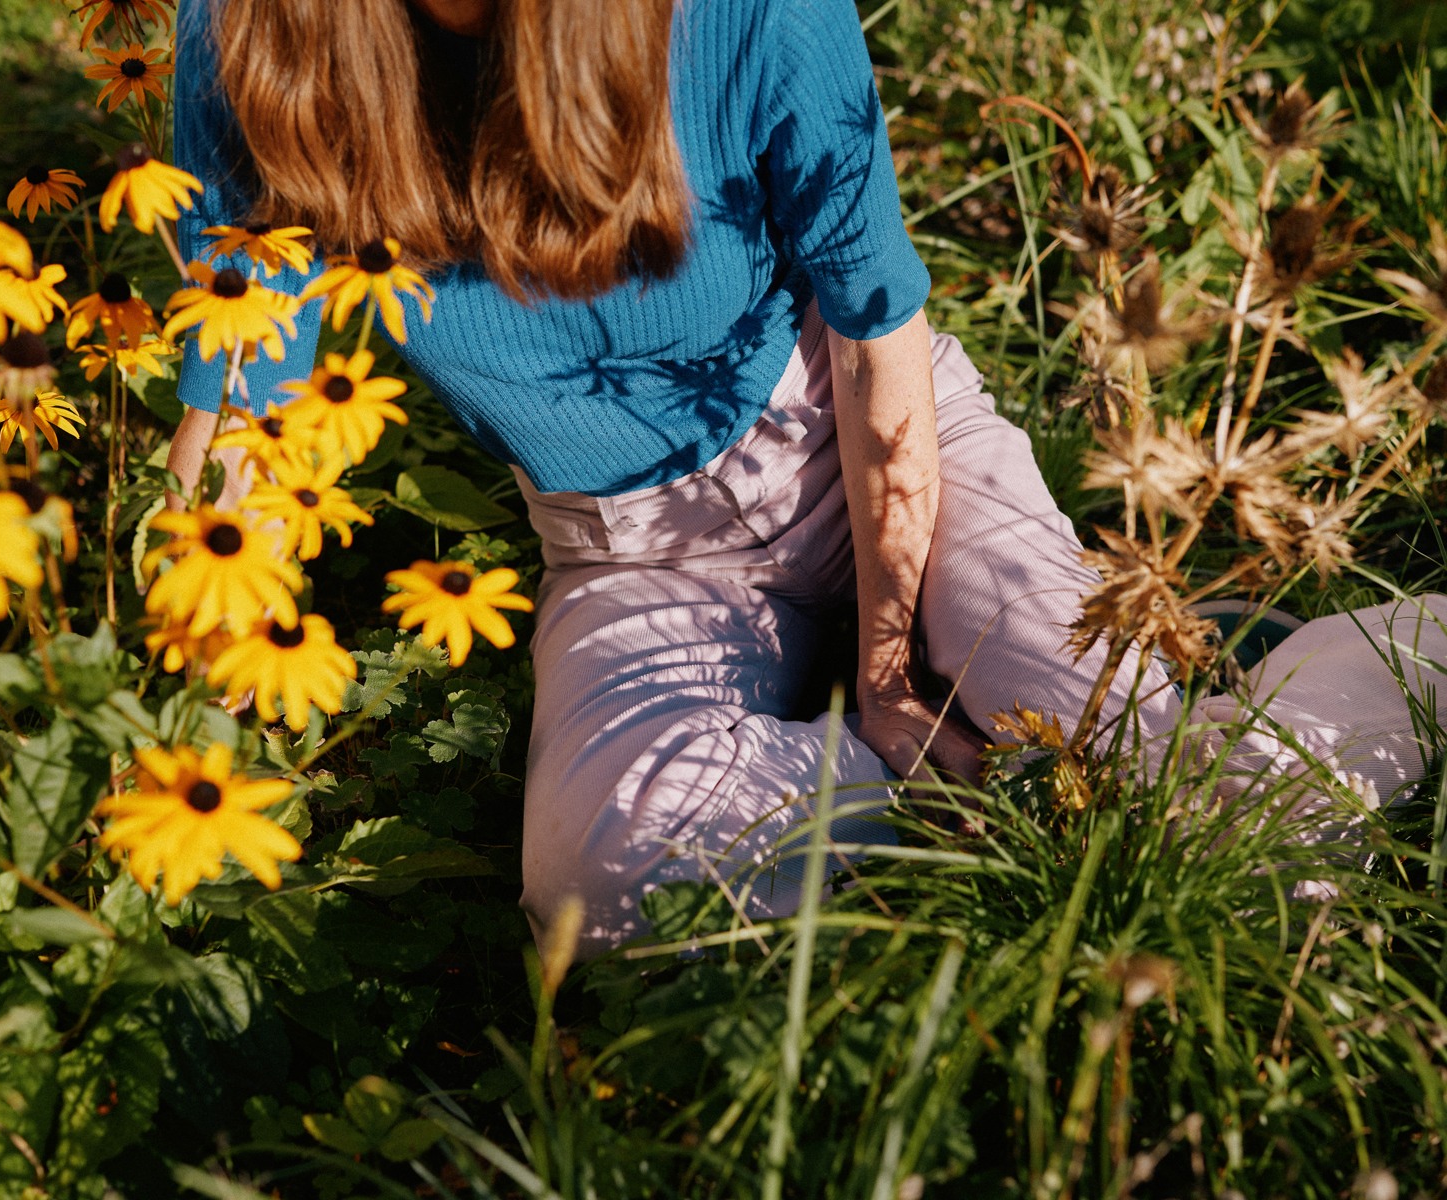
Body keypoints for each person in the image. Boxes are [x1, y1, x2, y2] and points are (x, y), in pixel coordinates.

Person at [164, 0, 1433, 958]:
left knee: (1168, 798)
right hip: (632, 549)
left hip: (864, 440)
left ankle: (1400, 653)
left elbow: (878, 352)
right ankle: (999, 775)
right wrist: (181, 723)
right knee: (592, 879)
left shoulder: (744, 8)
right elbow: (241, 415)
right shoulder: (255, 37)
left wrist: (888, 686)